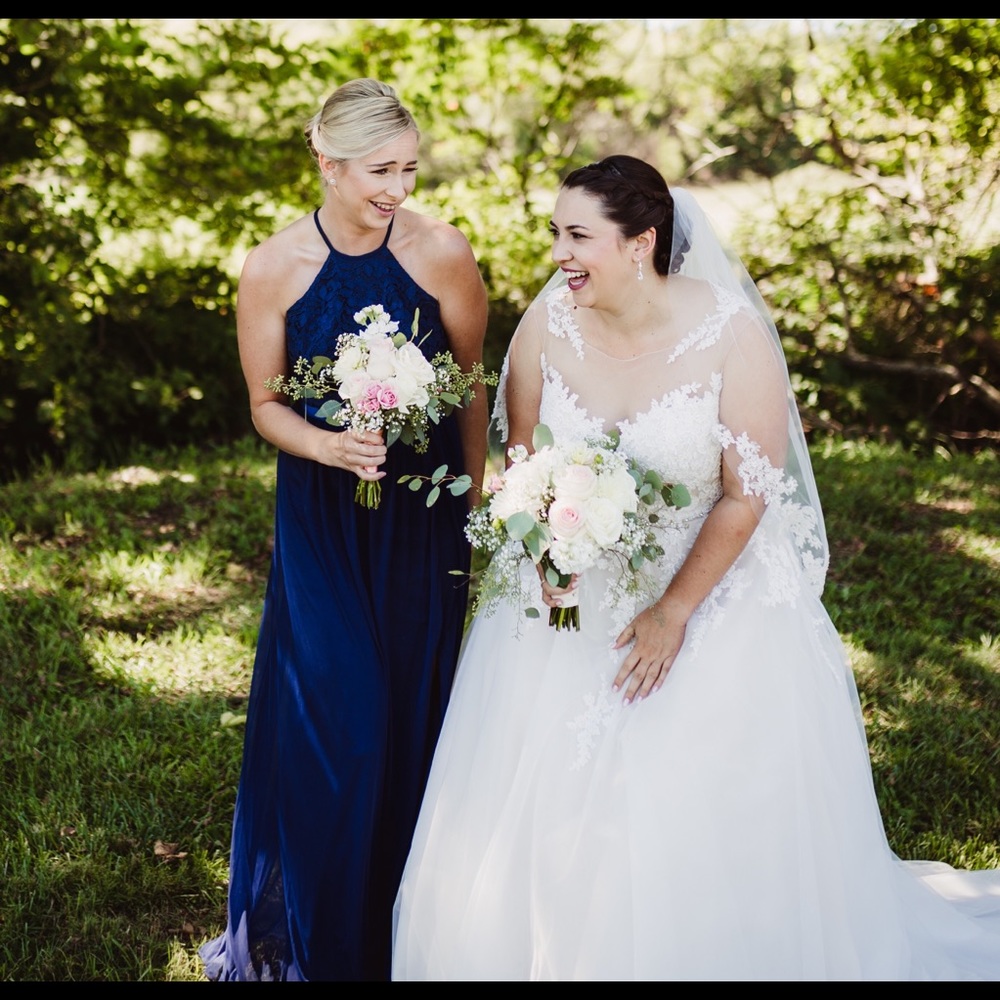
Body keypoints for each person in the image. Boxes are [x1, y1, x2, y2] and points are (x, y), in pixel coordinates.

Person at [391, 155, 1000, 980]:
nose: (560, 254)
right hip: (573, 592)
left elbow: (746, 497)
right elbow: (524, 459)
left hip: (710, 589)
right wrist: (546, 552)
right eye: (555, 234)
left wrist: (673, 612)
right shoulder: (547, 324)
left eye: (579, 236)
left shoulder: (728, 333)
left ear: (641, 242)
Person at [199, 78, 489, 981]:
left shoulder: (443, 253)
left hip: (420, 518)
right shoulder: (273, 267)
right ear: (326, 163)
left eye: (408, 168)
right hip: (324, 519)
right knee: (344, 718)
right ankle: (326, 941)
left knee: (412, 714)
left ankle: (406, 929)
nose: (396, 187)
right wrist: (327, 446)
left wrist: (475, 508)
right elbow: (262, 405)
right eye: (377, 170)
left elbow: (472, 385)